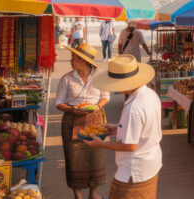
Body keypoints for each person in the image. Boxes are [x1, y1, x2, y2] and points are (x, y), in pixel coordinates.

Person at [85, 55, 162, 199]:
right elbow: (144, 128)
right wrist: (118, 128)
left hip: (134, 170)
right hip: (151, 162)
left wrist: (101, 144)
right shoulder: (150, 94)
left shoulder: (134, 108)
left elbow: (130, 146)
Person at [56, 43, 109, 199]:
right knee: (74, 157)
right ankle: (78, 195)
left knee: (95, 156)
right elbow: (58, 102)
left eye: (73, 58)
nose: (70, 61)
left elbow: (106, 96)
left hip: (95, 119)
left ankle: (93, 194)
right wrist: (71, 109)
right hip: (72, 120)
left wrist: (97, 107)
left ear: (83, 60)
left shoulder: (100, 76)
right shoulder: (66, 79)